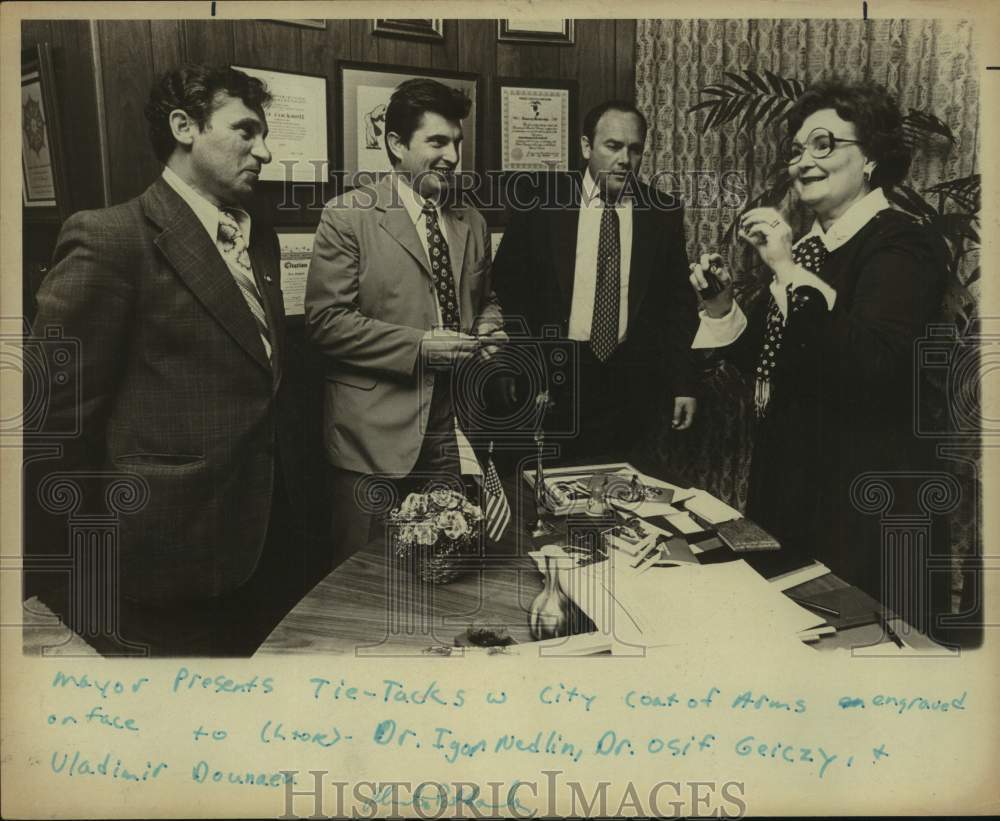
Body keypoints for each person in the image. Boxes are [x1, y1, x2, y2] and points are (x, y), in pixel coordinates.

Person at [28, 65, 327, 656]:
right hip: (162, 559)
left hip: (267, 543)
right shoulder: (111, 238)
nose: (263, 152)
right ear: (184, 126)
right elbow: (52, 420)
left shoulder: (255, 235)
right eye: (246, 132)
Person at [689, 79, 951, 626]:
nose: (802, 161)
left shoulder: (905, 242)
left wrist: (785, 269)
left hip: (866, 504)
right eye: (797, 148)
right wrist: (718, 304)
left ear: (873, 157)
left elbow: (869, 360)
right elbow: (764, 359)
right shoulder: (811, 247)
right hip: (794, 488)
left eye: (824, 144)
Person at [305, 79, 505, 558]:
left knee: (446, 571)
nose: (453, 157)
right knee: (366, 577)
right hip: (372, 438)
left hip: (454, 427)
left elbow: (487, 297)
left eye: (456, 142)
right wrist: (419, 347)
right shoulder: (347, 216)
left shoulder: (470, 220)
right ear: (395, 145)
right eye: (437, 142)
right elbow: (327, 322)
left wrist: (490, 326)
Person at [493, 100, 698, 466]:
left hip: (631, 381)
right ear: (587, 147)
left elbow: (677, 305)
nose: (625, 159)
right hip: (555, 376)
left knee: (623, 497)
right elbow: (509, 287)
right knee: (552, 492)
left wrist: (683, 383)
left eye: (635, 149)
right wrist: (521, 362)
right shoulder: (541, 203)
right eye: (613, 146)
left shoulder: (662, 213)